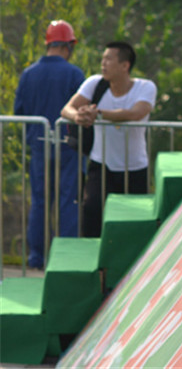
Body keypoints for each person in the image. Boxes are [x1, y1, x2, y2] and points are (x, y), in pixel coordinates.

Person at [61, 41, 156, 238]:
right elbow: (67, 109)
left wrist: (98, 114)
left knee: (135, 222)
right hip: (101, 165)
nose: (103, 64)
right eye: (103, 59)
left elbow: (135, 113)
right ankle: (93, 256)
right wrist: (79, 116)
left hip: (135, 167)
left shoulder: (145, 87)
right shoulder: (94, 83)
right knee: (91, 212)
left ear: (125, 65)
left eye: (109, 59)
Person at [12, 20, 86, 269]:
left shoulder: (28, 74)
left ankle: (37, 256)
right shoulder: (74, 74)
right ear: (68, 46)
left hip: (39, 146)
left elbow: (19, 111)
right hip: (69, 147)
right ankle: (65, 257)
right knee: (69, 200)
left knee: (40, 201)